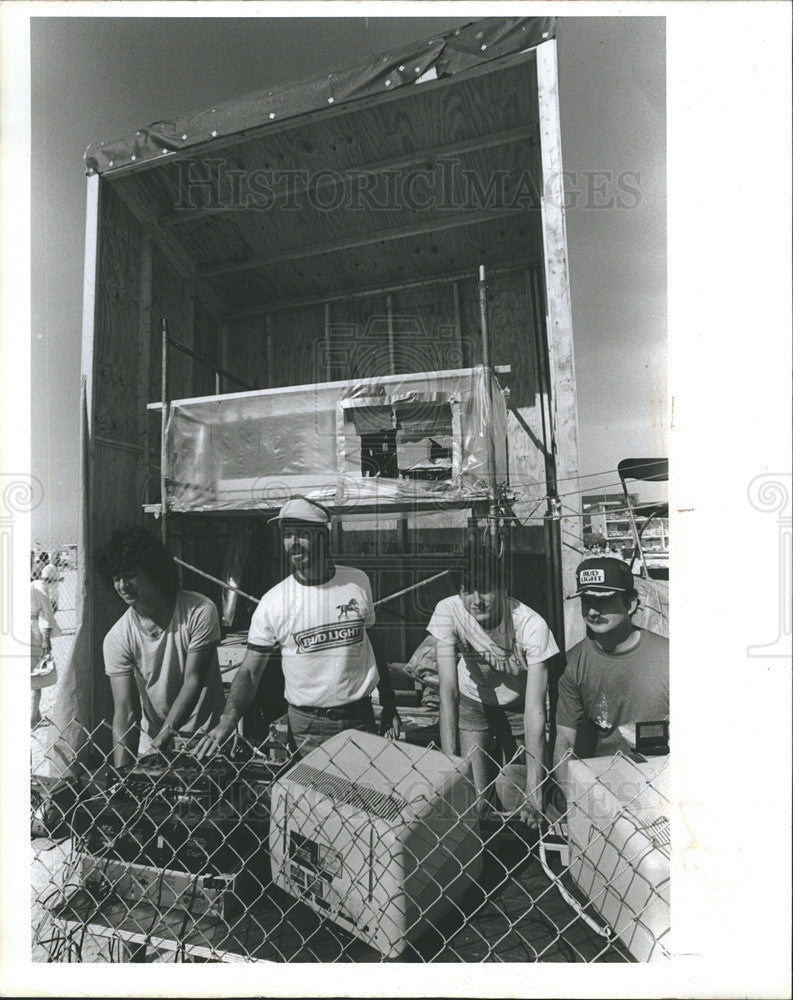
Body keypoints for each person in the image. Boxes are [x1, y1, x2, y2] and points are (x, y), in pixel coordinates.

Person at [195, 498, 400, 760]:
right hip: (308, 728)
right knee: (311, 798)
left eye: (303, 534)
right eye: (288, 534)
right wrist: (228, 718)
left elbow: (372, 643)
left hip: (360, 720)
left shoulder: (357, 583)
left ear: (324, 539)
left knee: (361, 798)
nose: (293, 543)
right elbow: (249, 672)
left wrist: (390, 703)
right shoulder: (274, 601)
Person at [427, 538, 559, 827]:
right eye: (467, 589)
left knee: (523, 796)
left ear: (502, 588)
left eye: (485, 588)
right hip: (473, 702)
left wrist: (534, 792)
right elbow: (447, 692)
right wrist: (451, 766)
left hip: (519, 706)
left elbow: (536, 709)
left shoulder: (530, 624)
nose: (477, 600)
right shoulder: (447, 611)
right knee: (475, 799)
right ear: (459, 592)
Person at [99, 527, 225, 768]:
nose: (122, 585)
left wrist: (164, 737)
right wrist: (123, 775)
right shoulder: (117, 637)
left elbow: (193, 681)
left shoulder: (199, 610)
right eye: (116, 578)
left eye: (130, 575)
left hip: (208, 740)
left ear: (153, 570)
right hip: (157, 746)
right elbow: (125, 711)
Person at [552, 556, 669, 794]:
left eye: (604, 601)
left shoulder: (669, 656)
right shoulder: (572, 663)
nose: (593, 611)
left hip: (662, 780)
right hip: (601, 785)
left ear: (631, 604)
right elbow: (565, 739)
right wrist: (574, 803)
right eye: (587, 601)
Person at [30, 578, 60, 728]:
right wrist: (46, 638)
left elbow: (45, 613)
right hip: (32, 632)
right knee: (35, 677)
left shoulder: (36, 586)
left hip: (30, 632)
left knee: (35, 674)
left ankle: (35, 716)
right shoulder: (36, 586)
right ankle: (32, 718)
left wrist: (46, 638)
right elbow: (46, 613)